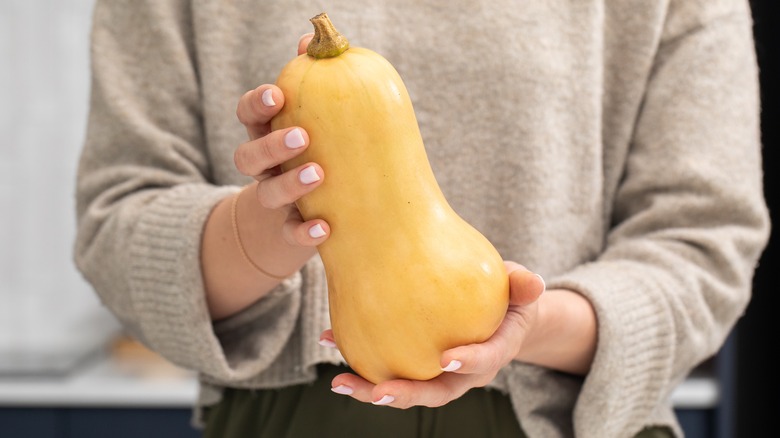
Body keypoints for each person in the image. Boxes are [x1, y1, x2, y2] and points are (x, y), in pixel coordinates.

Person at [74, 1, 769, 437]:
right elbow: (118, 215)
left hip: (564, 417)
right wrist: (263, 233)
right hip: (287, 420)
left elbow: (702, 240)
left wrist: (527, 324)